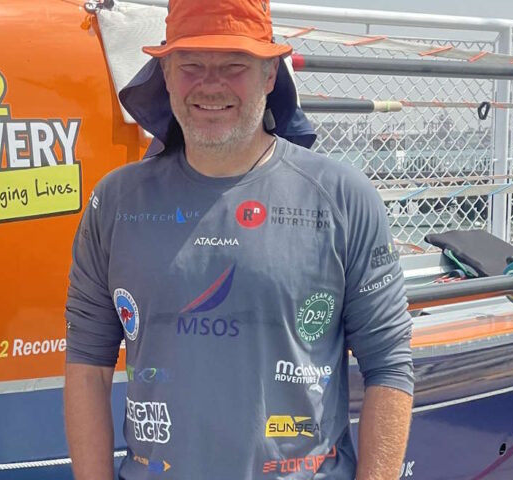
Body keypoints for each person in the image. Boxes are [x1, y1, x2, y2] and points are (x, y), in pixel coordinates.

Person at [64, 0, 414, 478]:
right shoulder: (114, 203)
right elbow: (88, 364)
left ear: (270, 75)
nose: (211, 85)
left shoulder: (344, 198)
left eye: (234, 66)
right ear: (165, 73)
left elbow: (389, 364)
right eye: (191, 65)